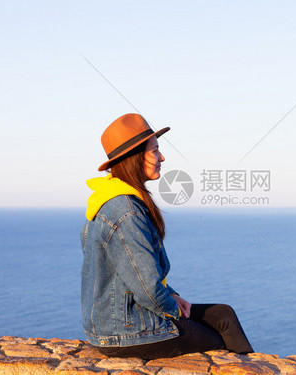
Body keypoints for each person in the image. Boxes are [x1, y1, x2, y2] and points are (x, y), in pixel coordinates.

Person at [80, 113, 253, 359]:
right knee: (217, 344)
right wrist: (173, 311)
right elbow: (148, 288)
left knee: (223, 314)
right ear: (134, 157)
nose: (162, 157)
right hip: (125, 332)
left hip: (118, 322)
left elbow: (131, 271)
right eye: (155, 151)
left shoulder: (108, 200)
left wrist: (172, 294)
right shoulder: (125, 212)